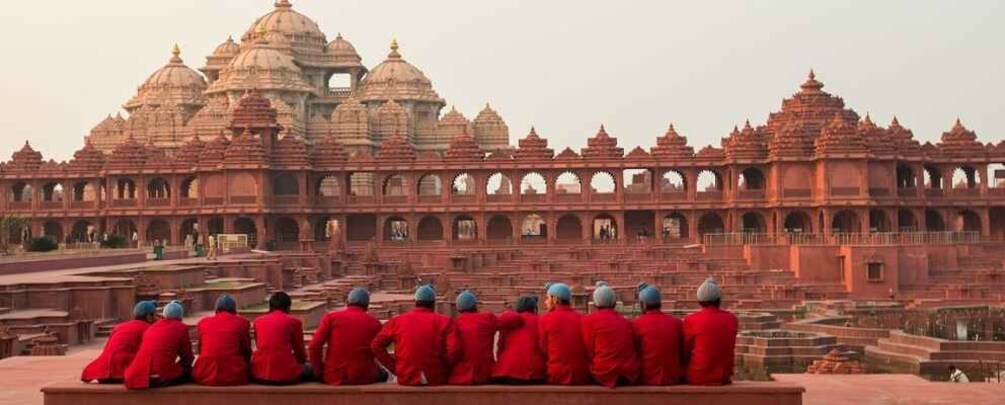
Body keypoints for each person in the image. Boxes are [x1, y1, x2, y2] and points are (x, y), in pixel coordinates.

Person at [371, 285, 458, 386]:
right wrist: (444, 368)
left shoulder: (398, 321)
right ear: (433, 304)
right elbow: (454, 350)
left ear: (415, 303)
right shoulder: (445, 321)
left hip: (406, 376)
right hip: (435, 377)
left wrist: (395, 368)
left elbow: (376, 345)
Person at [309, 288, 386, 385]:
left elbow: (314, 346)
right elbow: (379, 349)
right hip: (364, 376)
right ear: (367, 306)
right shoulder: (375, 323)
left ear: (347, 302)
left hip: (334, 376)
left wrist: (318, 371)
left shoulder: (331, 318)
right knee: (383, 374)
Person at [81, 301, 157, 383]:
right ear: (149, 317)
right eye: (155, 315)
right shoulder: (148, 328)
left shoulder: (119, 327)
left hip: (103, 370)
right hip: (123, 371)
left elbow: (107, 349)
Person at [124, 301, 194, 389]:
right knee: (189, 371)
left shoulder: (151, 328)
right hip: (161, 376)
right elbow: (188, 357)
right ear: (180, 317)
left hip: (136, 377)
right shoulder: (181, 327)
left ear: (163, 316)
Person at [581, 282, 639, 387]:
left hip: (603, 373)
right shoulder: (626, 322)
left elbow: (588, 350)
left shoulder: (588, 321)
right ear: (614, 303)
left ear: (595, 303)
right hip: (628, 374)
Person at [683, 277, 739, 385]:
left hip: (698, 376)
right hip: (724, 377)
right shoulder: (732, 319)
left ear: (699, 301)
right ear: (719, 300)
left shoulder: (691, 320)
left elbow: (685, 351)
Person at [192, 294, 251, 386]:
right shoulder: (242, 323)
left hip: (205, 374)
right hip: (234, 375)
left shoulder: (203, 323)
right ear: (234, 310)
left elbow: (200, 350)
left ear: (216, 310)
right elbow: (247, 351)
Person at [251, 292, 309, 385]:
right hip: (287, 375)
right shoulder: (294, 322)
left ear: (270, 307)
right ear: (288, 307)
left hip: (260, 374)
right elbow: (300, 352)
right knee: (314, 369)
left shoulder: (258, 322)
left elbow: (260, 346)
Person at [538, 282, 591, 385]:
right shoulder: (582, 319)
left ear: (555, 299)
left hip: (556, 373)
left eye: (548, 298)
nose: (546, 302)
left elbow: (544, 349)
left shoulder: (545, 319)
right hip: (581, 374)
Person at [632, 283, 684, 385]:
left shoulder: (636, 325)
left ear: (644, 305)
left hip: (646, 377)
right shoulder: (676, 323)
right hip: (674, 377)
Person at [493, 295, 546, 384]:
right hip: (535, 373)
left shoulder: (509, 319)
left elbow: (500, 347)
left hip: (506, 372)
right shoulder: (540, 320)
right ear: (534, 309)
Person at [448, 291, 498, 385]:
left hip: (461, 375)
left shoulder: (454, 324)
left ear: (458, 308)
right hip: (486, 373)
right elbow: (511, 319)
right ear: (475, 306)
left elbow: (453, 350)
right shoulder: (487, 319)